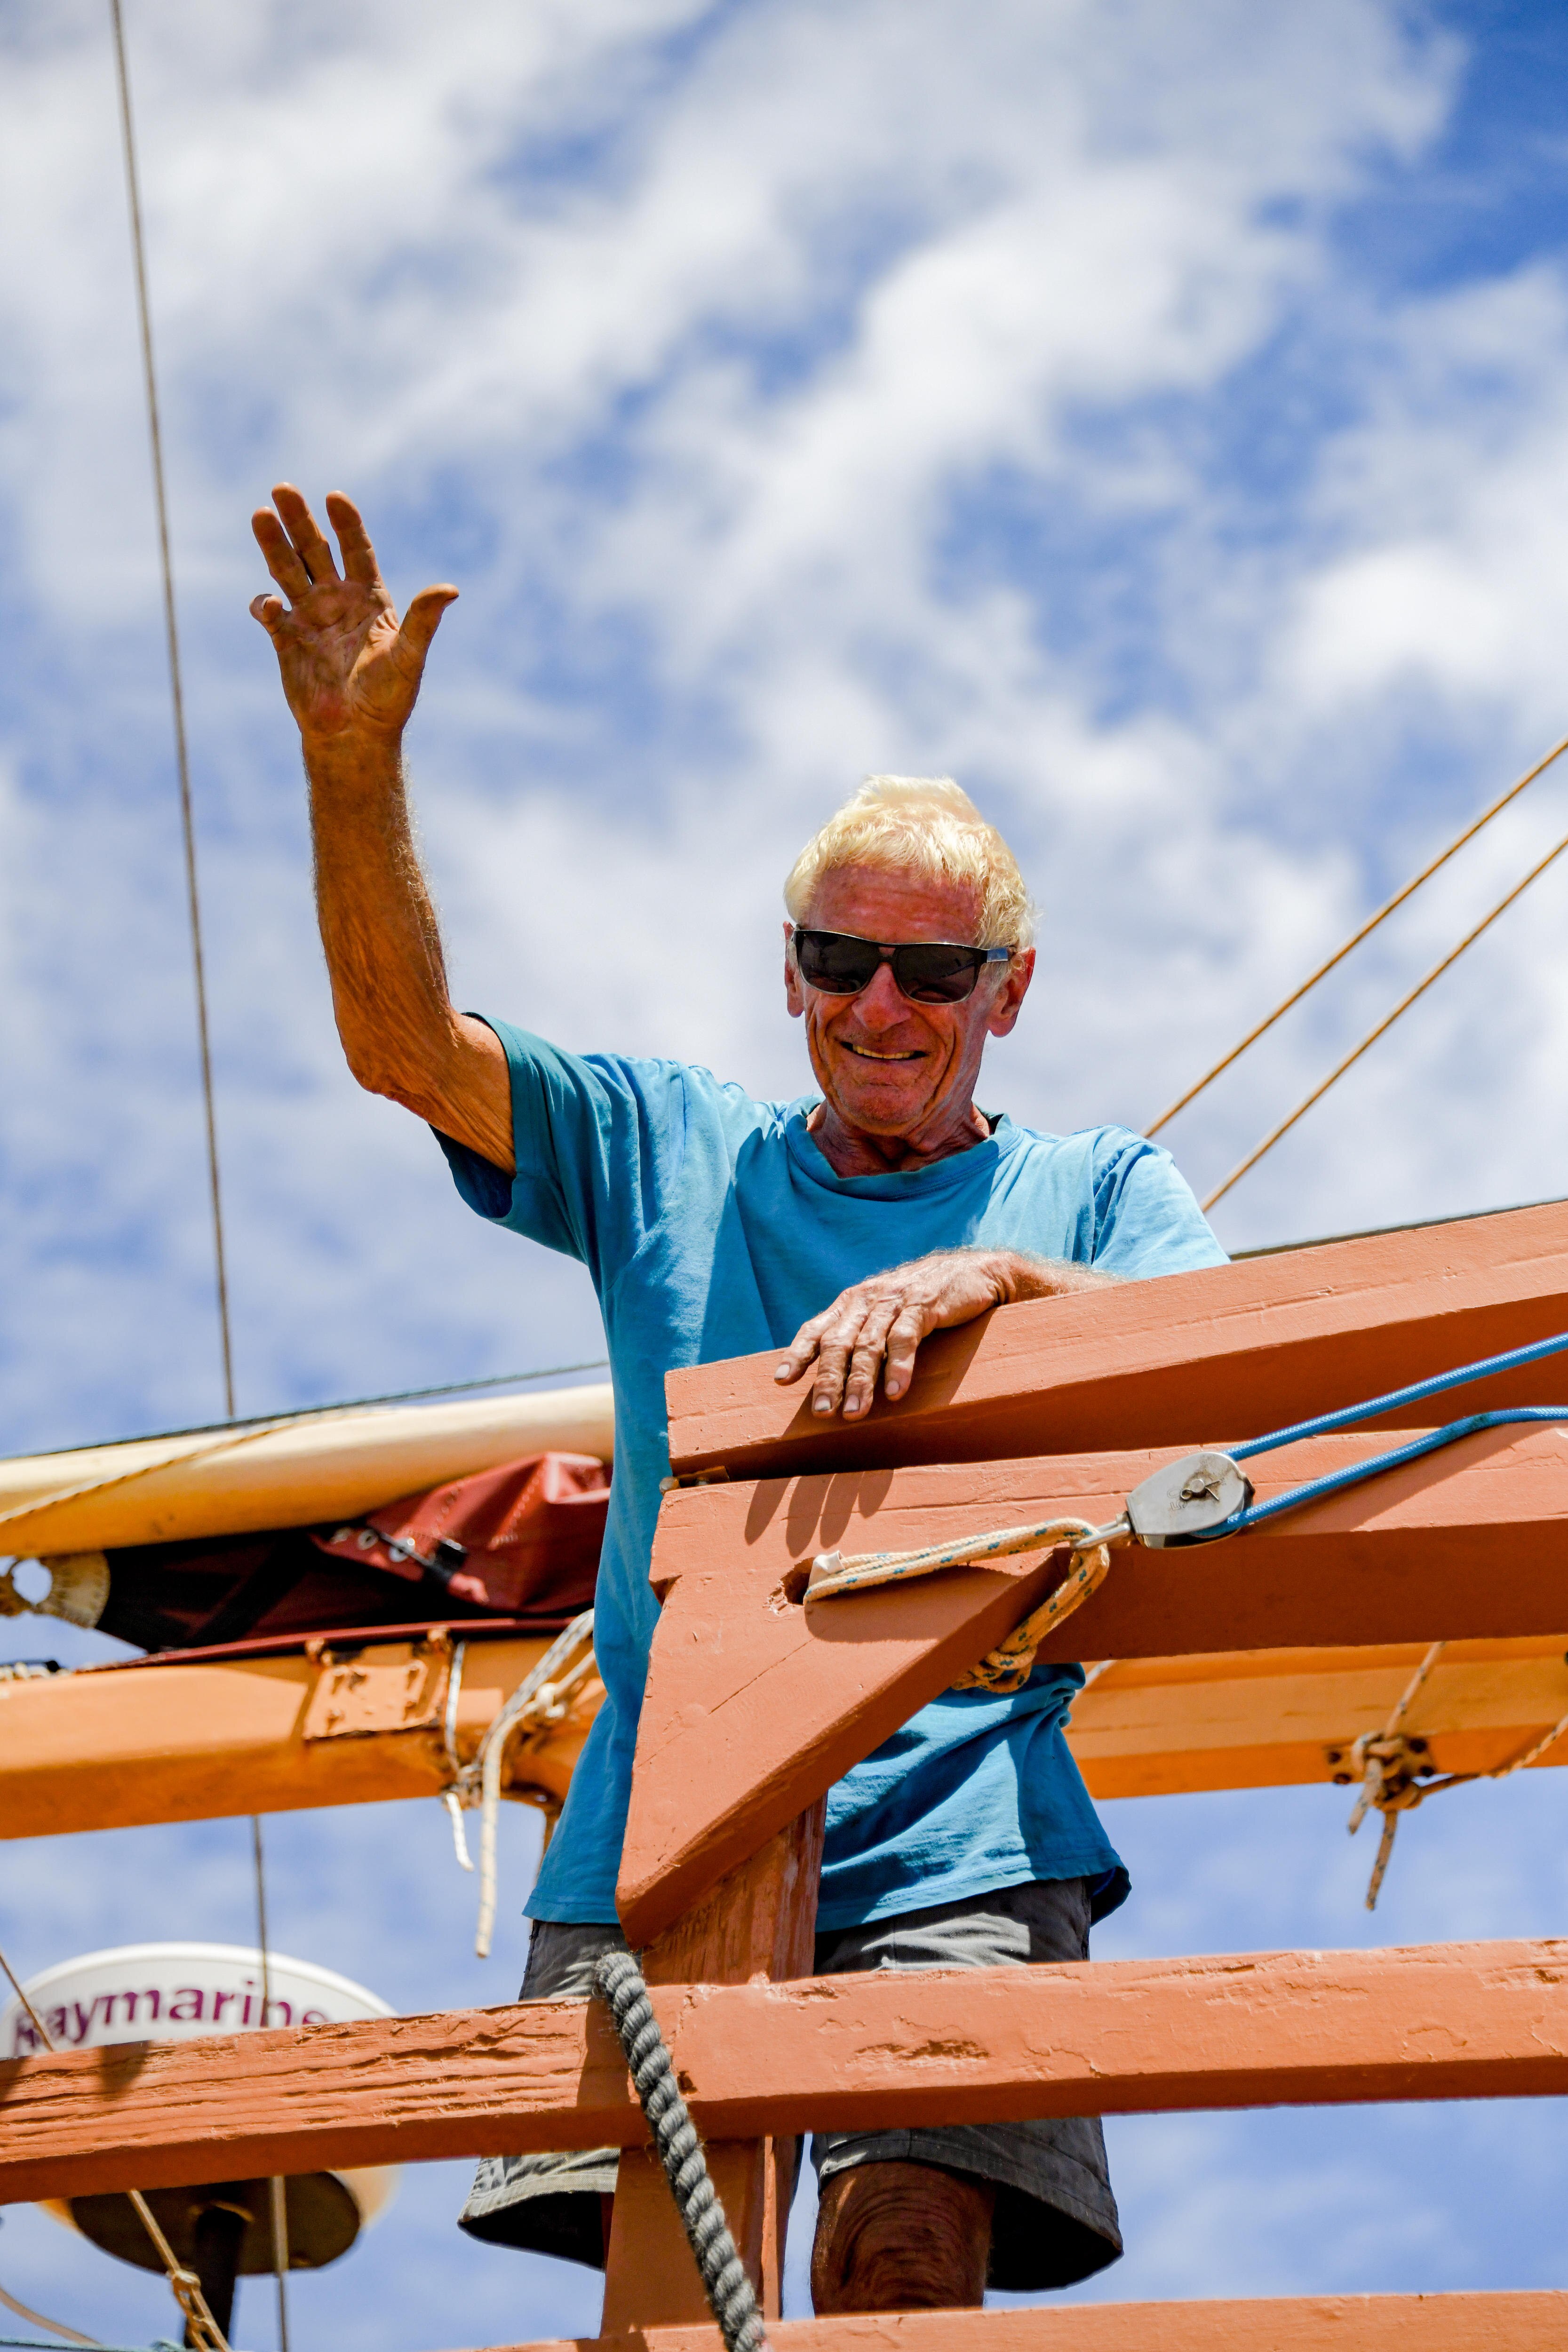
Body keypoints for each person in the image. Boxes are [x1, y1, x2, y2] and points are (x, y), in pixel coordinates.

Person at [250, 485, 1227, 2316]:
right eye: (841, 960)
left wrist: (1000, 1279)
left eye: (933, 970)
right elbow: (405, 1048)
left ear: (1009, 992)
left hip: (964, 1826)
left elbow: (1227, 1357)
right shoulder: (665, 1146)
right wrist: (348, 767)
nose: (881, 1004)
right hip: (661, 1815)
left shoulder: (1094, 1189)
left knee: (904, 2266)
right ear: (789, 970)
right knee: (655, 2301)